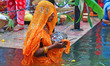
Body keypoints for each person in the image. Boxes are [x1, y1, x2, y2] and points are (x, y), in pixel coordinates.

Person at [21, 1, 70, 66]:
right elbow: (34, 52)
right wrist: (54, 46)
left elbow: (45, 42)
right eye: (50, 13)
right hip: (39, 63)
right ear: (44, 13)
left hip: (48, 59)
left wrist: (58, 43)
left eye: (53, 13)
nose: (53, 15)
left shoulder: (46, 26)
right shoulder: (37, 31)